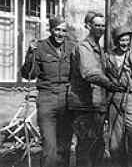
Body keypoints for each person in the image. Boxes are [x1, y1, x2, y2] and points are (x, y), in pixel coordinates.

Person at [68, 11, 126, 167]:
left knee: (98, 145)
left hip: (98, 104)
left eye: (102, 25)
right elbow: (90, 73)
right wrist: (111, 85)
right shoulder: (84, 48)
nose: (100, 29)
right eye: (97, 25)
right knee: (86, 146)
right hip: (84, 105)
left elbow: (105, 71)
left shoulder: (99, 49)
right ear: (88, 26)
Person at [21, 15, 75, 167]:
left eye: (63, 30)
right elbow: (28, 74)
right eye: (57, 30)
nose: (60, 34)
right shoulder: (40, 47)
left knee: (64, 146)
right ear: (51, 30)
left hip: (66, 99)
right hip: (47, 100)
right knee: (49, 147)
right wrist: (30, 54)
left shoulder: (71, 48)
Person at [105, 25, 132, 167]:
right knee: (116, 142)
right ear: (116, 41)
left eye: (127, 40)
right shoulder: (108, 57)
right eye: (122, 40)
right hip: (114, 99)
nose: (125, 43)